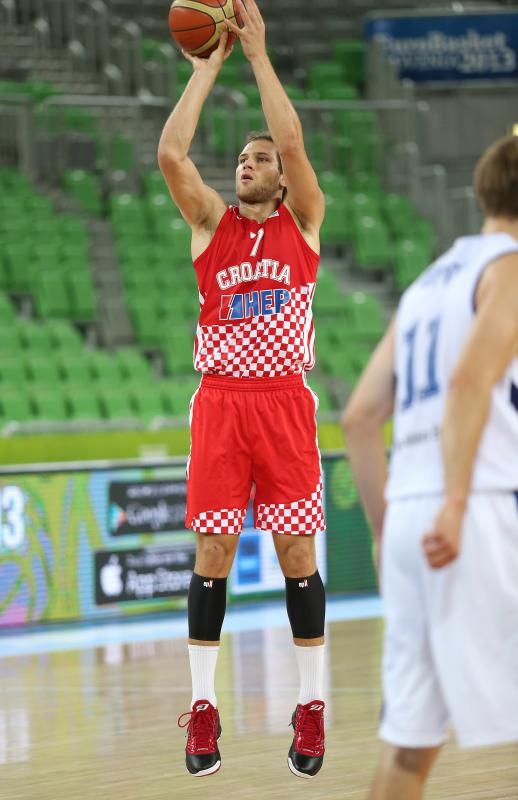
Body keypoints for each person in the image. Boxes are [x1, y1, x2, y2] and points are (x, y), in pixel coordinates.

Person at [158, 0, 327, 780]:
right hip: (222, 400)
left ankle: (313, 706)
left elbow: (289, 138)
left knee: (297, 553)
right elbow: (171, 154)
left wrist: (258, 57)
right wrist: (207, 67)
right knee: (213, 552)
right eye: (243, 161)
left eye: (259, 161)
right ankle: (201, 710)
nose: (247, 164)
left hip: (285, 400)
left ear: (285, 183)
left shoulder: (304, 224)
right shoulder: (211, 225)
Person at [342, 134, 518, 800]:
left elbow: (360, 417)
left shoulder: (426, 284)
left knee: (411, 743)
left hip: (412, 519)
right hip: (477, 507)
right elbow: (470, 382)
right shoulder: (509, 270)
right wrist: (456, 499)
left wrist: (387, 529)